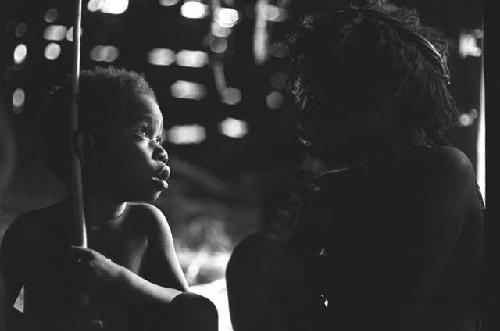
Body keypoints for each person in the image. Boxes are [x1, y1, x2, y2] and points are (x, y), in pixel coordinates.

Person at [226, 1, 486, 331]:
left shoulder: (447, 170)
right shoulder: (336, 189)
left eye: (319, 100)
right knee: (257, 257)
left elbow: (394, 312)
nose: (304, 120)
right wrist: (291, 240)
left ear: (377, 98)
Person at [0, 67, 218, 331]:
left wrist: (118, 279)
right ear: (87, 146)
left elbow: (197, 316)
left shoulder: (145, 225)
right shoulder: (30, 233)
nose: (161, 151)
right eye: (143, 132)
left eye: (158, 138)